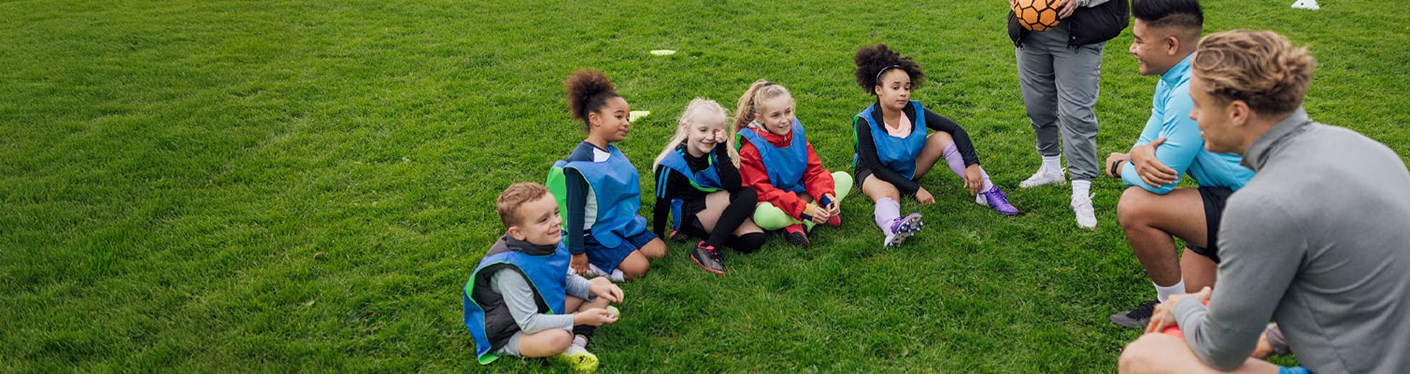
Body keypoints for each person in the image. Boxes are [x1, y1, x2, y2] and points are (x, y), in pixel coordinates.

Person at [1118, 30, 1410, 374]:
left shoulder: (1263, 204)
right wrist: (1273, 338)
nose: (1193, 116)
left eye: (1198, 104)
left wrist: (1182, 306)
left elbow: (1219, 351)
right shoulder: (1367, 149)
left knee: (1144, 356)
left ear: (1238, 113)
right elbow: (1353, 282)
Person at [1102, 0, 1254, 329]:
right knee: (1199, 305)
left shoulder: (1190, 88)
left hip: (1257, 209)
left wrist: (1117, 166)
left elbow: (1158, 179)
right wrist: (1137, 158)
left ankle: (1167, 307)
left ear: (1171, 44)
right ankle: (1177, 305)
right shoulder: (1173, 80)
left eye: (1139, 40)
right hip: (1225, 196)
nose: (1131, 49)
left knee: (1136, 205)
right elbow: (1143, 149)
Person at [850, 44, 1020, 248]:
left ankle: (987, 191)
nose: (903, 93)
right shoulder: (864, 122)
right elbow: (876, 167)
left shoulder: (915, 109)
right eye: (895, 88)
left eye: (907, 87)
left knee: (943, 137)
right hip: (874, 172)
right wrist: (916, 189)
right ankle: (893, 228)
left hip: (907, 165)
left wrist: (972, 164)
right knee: (889, 193)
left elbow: (956, 129)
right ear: (878, 90)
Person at [463, 183, 625, 372]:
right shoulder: (510, 272)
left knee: (602, 284)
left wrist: (593, 289)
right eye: (543, 220)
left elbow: (568, 279)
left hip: (542, 306)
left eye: (556, 213)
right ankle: (571, 337)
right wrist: (580, 318)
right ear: (517, 233)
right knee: (559, 338)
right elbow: (529, 323)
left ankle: (578, 342)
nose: (556, 222)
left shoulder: (548, 240)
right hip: (513, 330)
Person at [1008, 0, 1130, 229]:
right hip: (1031, 31)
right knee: (1037, 106)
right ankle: (1051, 168)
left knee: (1076, 114)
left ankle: (1081, 192)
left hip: (1079, 33)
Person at [548, 69, 667, 281]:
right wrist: (578, 252)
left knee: (660, 251)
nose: (626, 123)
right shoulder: (580, 164)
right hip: (594, 234)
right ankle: (587, 267)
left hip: (619, 223)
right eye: (619, 116)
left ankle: (622, 249)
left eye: (628, 118)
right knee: (639, 268)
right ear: (595, 119)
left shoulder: (610, 151)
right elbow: (574, 212)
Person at [651, 98, 767, 274]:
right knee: (748, 195)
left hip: (715, 208)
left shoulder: (716, 152)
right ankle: (709, 248)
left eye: (715, 131)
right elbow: (661, 204)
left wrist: (721, 149)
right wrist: (657, 238)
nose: (709, 137)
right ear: (686, 127)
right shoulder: (670, 165)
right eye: (703, 130)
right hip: (690, 216)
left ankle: (713, 237)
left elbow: (734, 185)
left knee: (755, 239)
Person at [733, 79, 853, 248]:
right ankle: (811, 216)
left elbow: (813, 171)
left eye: (788, 112)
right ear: (760, 118)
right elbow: (764, 192)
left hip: (797, 191)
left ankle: (804, 223)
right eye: (775, 115)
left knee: (844, 178)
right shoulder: (751, 149)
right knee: (765, 217)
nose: (784, 120)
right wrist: (804, 209)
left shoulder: (795, 132)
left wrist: (827, 197)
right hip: (771, 200)